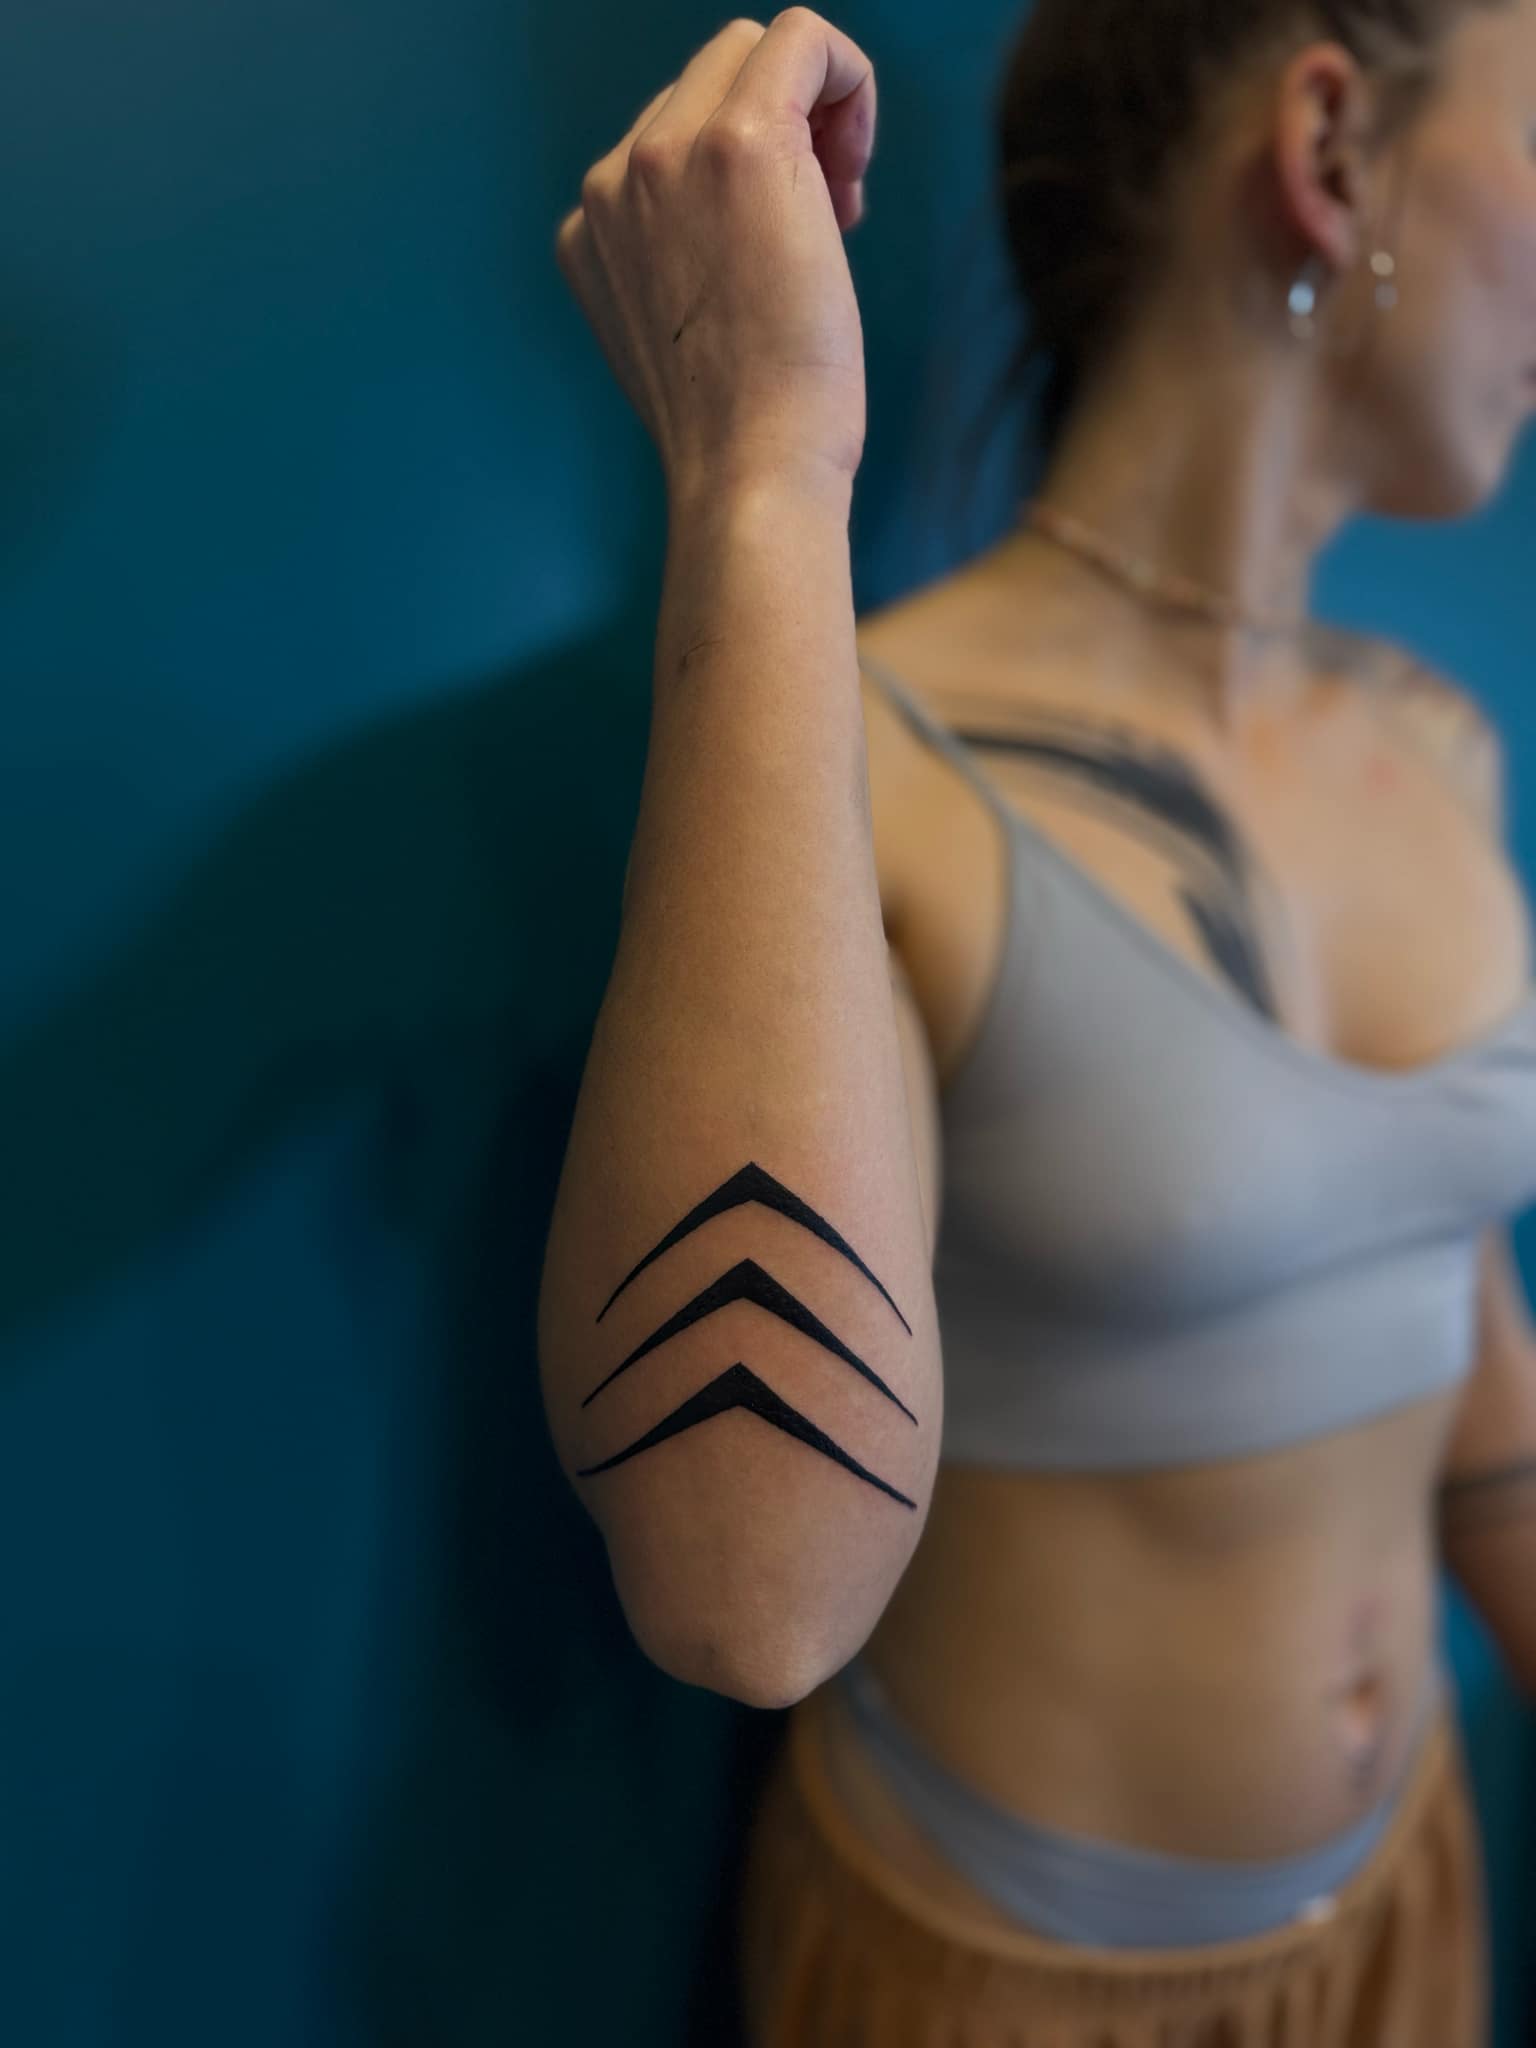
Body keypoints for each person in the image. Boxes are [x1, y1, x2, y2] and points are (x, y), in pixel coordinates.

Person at [544, 4, 1536, 2041]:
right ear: (1330, 148)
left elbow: (1446, 1315)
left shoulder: (1436, 743)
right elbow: (748, 1590)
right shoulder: (868, 772)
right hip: (1006, 1988)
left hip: (1413, 1909)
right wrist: (760, 484)